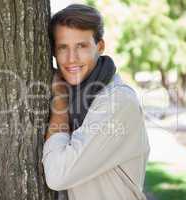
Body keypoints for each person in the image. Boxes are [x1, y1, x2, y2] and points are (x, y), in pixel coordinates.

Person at [42, 4, 150, 200]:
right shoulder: (79, 96)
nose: (71, 58)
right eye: (63, 47)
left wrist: (59, 101)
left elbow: (58, 175)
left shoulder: (117, 101)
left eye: (81, 46)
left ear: (99, 47)